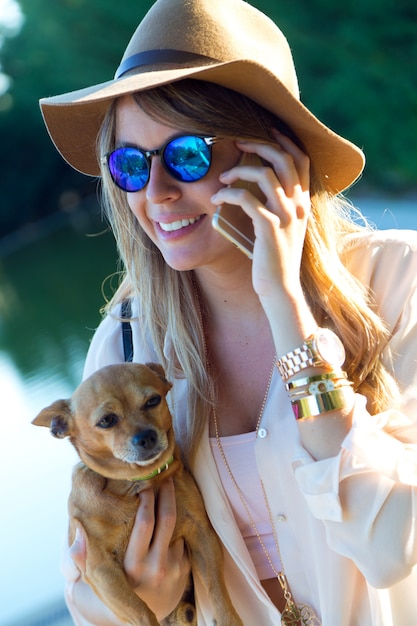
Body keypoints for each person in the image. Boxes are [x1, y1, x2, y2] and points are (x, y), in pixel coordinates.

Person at [40, 0, 417, 624]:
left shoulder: (398, 283)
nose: (156, 192)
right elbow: (89, 587)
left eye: (187, 155)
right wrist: (143, 605)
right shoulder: (128, 344)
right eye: (131, 164)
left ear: (272, 155)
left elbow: (392, 548)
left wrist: (285, 304)